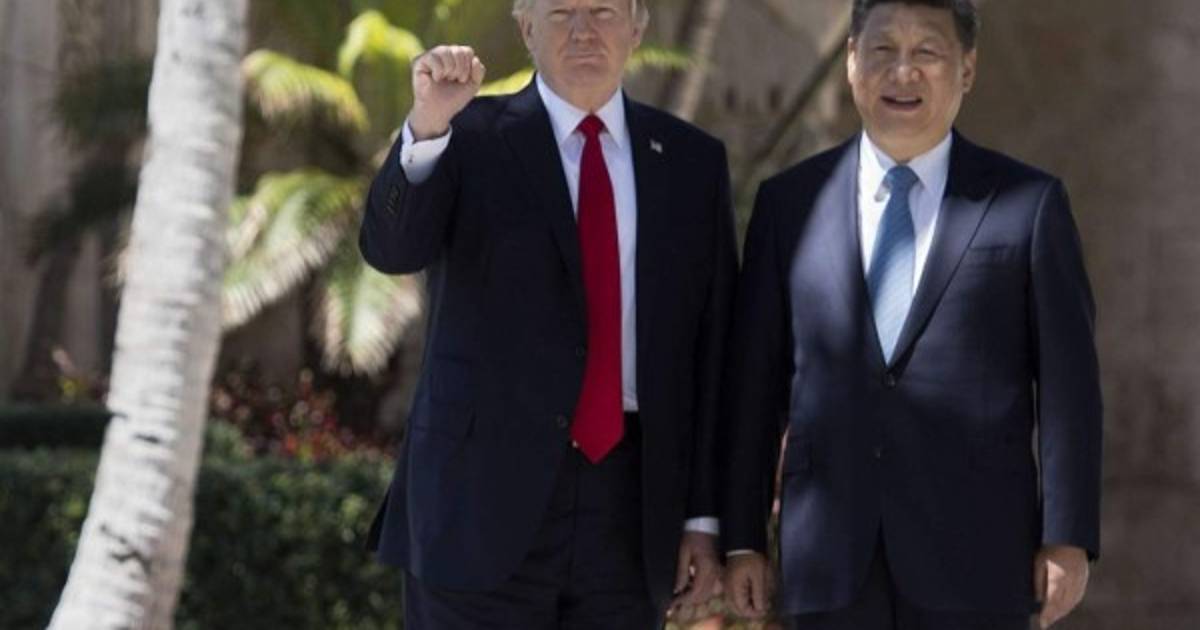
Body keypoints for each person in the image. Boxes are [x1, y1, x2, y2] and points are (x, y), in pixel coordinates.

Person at [720, 1, 1101, 628]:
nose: (903, 72)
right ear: (851, 61)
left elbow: (1070, 387)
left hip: (976, 558)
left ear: (967, 69)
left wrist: (1067, 536)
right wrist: (742, 539)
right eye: (882, 50)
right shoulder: (788, 204)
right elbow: (753, 388)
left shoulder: (1027, 205)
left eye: (927, 52)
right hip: (829, 563)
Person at [360, 0, 737, 627]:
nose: (584, 30)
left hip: (631, 512)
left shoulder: (691, 161)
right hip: (475, 505)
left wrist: (702, 517)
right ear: (525, 27)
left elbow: (713, 348)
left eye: (603, 10)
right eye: (561, 11)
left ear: (638, 27)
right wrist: (425, 126)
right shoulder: (465, 136)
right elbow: (390, 250)